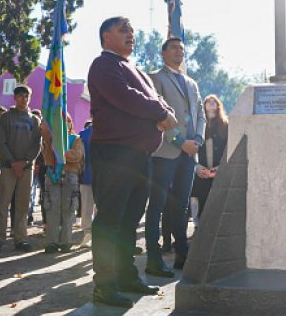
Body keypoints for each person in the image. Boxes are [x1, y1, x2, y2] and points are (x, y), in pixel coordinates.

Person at [87, 16, 177, 308]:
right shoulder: (104, 65)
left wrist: (162, 110)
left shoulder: (134, 68)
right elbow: (125, 97)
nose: (130, 35)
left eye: (132, 31)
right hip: (115, 154)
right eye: (122, 30)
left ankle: (127, 277)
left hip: (140, 157)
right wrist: (161, 113)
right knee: (110, 221)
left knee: (129, 222)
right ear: (106, 37)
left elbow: (155, 99)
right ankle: (104, 285)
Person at [146, 36, 206, 276]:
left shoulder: (191, 82)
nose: (179, 51)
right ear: (163, 53)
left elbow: (200, 115)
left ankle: (182, 254)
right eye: (173, 48)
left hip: (189, 155)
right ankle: (153, 257)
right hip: (165, 152)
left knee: (181, 205)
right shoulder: (156, 78)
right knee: (157, 206)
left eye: (181, 48)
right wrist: (181, 142)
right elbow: (156, 115)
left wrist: (197, 141)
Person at [0, 86, 42, 253]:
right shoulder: (6, 118)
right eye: (20, 96)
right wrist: (13, 162)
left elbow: (37, 145)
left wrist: (25, 162)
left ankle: (21, 238)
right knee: (2, 204)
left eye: (26, 96)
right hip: (7, 167)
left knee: (22, 205)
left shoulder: (35, 120)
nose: (24, 99)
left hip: (26, 168)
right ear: (14, 98)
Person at [44, 117, 83, 253]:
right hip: (53, 175)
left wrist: (62, 152)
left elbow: (78, 155)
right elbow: (45, 154)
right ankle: (52, 242)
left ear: (70, 123)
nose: (64, 123)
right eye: (60, 120)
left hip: (69, 176)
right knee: (52, 210)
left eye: (66, 120)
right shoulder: (50, 138)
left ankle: (66, 241)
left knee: (68, 210)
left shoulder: (76, 139)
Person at [193, 95, 229, 225]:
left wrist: (218, 169)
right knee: (200, 200)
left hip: (219, 172)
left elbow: (229, 149)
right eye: (208, 101)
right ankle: (199, 231)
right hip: (201, 172)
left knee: (218, 203)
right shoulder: (198, 126)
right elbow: (192, 148)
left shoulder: (226, 125)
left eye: (214, 101)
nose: (211, 103)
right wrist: (197, 168)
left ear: (219, 105)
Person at [78, 120, 95, 249]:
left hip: (104, 178)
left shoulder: (109, 132)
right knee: (86, 208)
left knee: (101, 209)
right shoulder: (83, 135)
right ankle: (87, 235)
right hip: (87, 176)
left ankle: (100, 236)